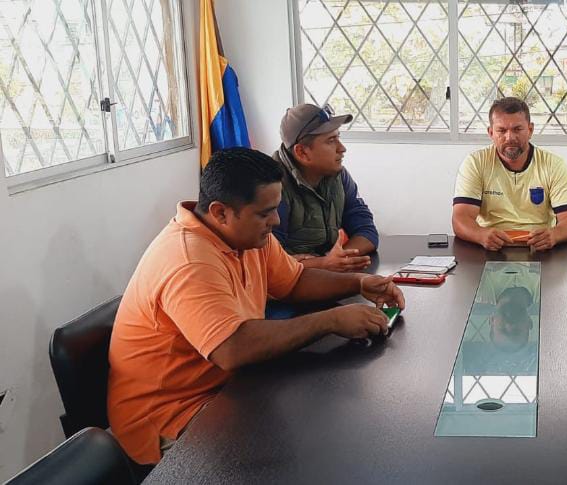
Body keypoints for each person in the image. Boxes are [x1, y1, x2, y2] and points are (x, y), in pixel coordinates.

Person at [108, 148, 405, 465]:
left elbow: (294, 281)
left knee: (326, 427)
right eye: (265, 213)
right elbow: (232, 349)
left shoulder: (246, 236)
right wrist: (330, 320)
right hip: (170, 416)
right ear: (221, 213)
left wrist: (358, 282)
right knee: (300, 455)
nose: (275, 221)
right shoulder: (189, 259)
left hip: (229, 388)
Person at [452, 97, 567, 251]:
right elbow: (460, 218)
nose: (510, 138)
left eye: (517, 129)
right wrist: (480, 235)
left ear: (530, 130)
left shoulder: (553, 164)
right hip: (490, 248)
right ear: (491, 132)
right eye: (501, 130)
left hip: (540, 249)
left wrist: (554, 235)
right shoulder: (476, 163)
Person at [272, 103, 378, 272]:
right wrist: (325, 263)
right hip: (288, 285)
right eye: (331, 141)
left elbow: (367, 231)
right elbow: (268, 263)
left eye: (338, 137)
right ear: (302, 153)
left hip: (323, 275)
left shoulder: (338, 175)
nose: (342, 148)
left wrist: (337, 258)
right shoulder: (271, 185)